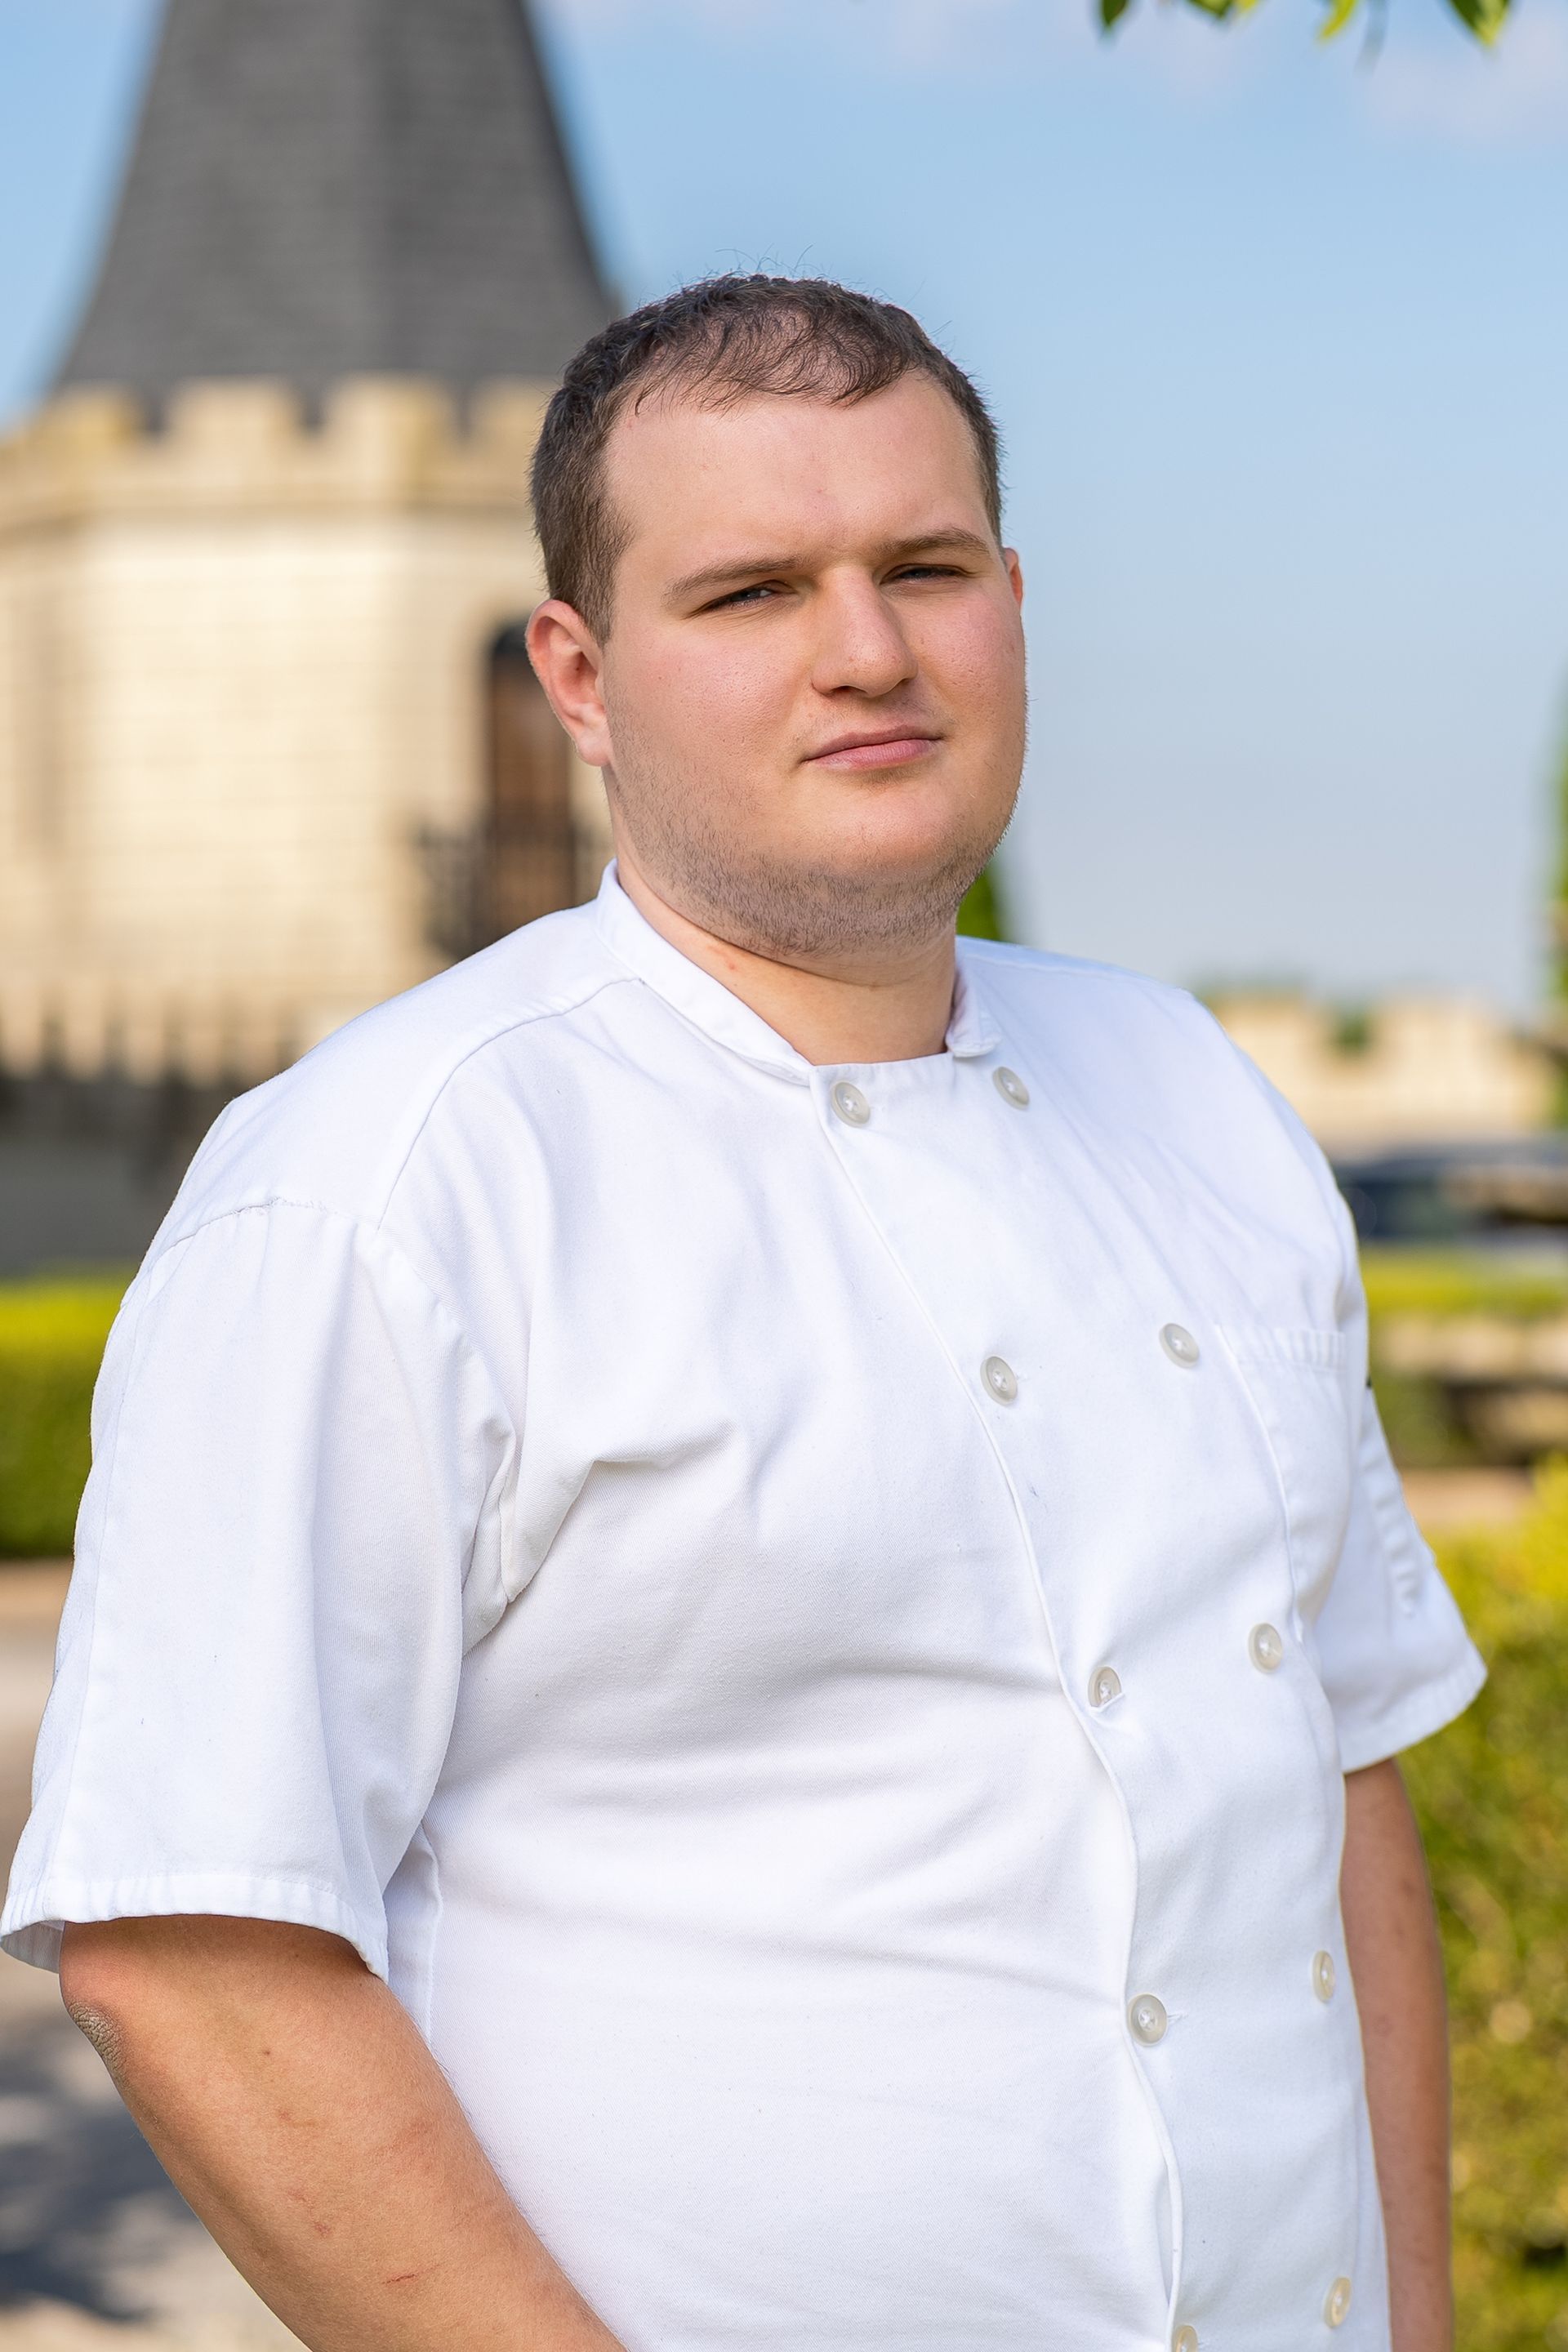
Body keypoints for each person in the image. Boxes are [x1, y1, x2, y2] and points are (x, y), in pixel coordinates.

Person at [4, 276, 1481, 2352]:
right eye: (754, 591)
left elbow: (1331, 1774)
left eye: (926, 567)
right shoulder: (385, 1187)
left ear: (1015, 598)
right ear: (579, 676)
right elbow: (194, 1948)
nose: (867, 650)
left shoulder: (1205, 1104)